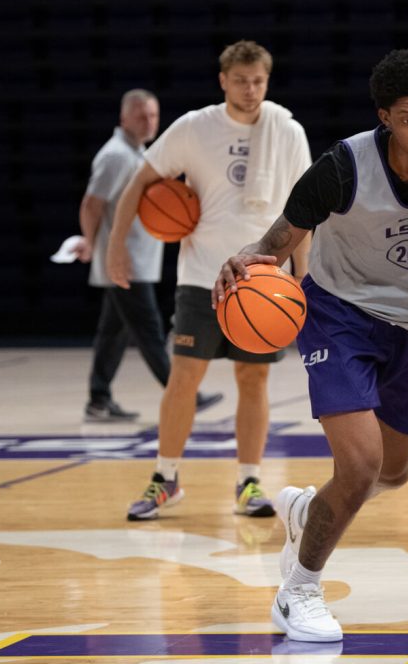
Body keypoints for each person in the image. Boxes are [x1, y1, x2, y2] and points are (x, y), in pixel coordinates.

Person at [213, 48, 408, 643]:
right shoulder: (343, 164)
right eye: (407, 119)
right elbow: (282, 235)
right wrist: (250, 258)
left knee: (393, 474)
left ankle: (307, 511)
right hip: (337, 315)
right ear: (384, 117)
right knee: (360, 465)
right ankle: (298, 590)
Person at [106, 40, 313, 521]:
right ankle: (166, 477)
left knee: (253, 378)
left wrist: (304, 280)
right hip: (202, 276)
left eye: (258, 80)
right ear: (223, 80)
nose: (250, 89)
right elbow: (138, 183)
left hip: (263, 280)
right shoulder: (194, 127)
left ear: (268, 79)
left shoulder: (288, 130)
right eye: (240, 80)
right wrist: (116, 246)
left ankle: (248, 481)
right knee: (183, 377)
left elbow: (304, 213)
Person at [74, 89, 223, 422]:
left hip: (137, 261)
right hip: (127, 263)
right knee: (149, 328)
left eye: (153, 115)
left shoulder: (137, 154)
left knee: (113, 332)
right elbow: (91, 203)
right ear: (123, 117)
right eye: (141, 115)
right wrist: (91, 241)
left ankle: (98, 399)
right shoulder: (115, 156)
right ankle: (185, 394)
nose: (149, 121)